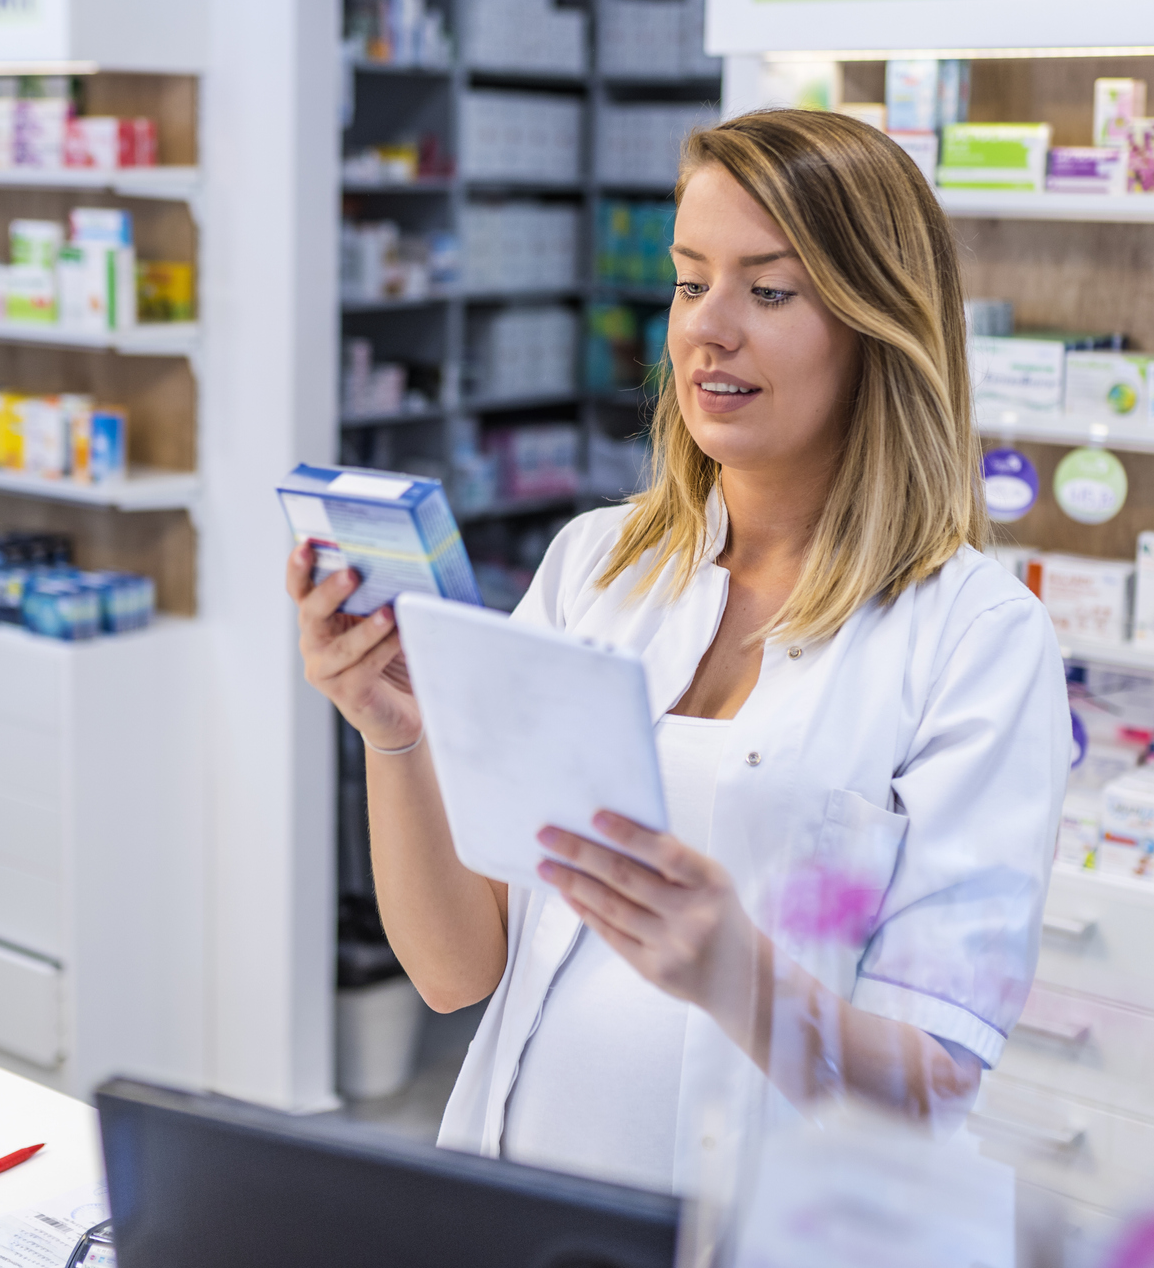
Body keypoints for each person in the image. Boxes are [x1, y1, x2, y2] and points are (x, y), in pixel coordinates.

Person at [288, 109, 1068, 1197]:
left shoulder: (973, 637)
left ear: (874, 321)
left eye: (768, 288)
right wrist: (395, 735)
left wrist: (729, 970)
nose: (708, 328)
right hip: (519, 1201)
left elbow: (933, 1080)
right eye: (688, 280)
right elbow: (454, 966)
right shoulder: (595, 566)